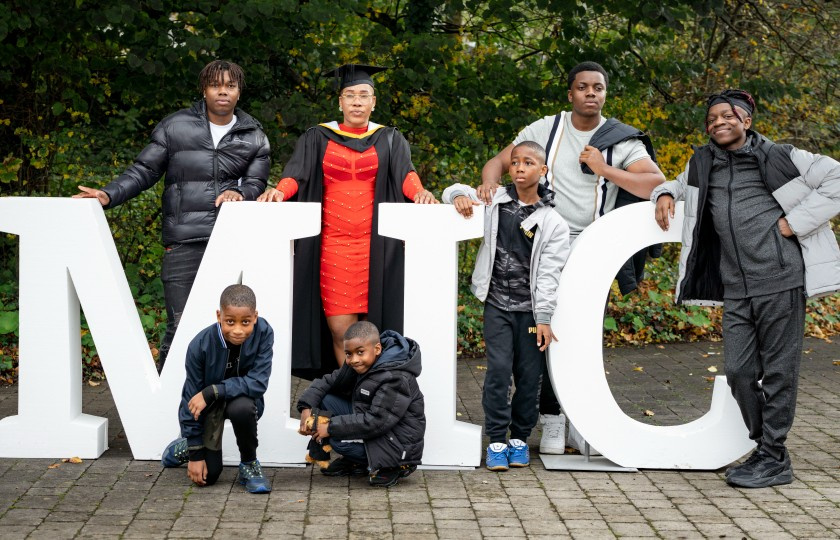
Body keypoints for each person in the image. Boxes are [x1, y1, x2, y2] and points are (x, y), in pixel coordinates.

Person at [652, 89, 840, 488]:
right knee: (738, 372)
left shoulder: (779, 155)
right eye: (711, 119)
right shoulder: (703, 161)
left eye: (727, 116)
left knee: (778, 373)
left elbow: (837, 177)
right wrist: (665, 192)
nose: (718, 122)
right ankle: (766, 448)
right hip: (735, 284)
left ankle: (773, 457)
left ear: (746, 121)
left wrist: (796, 222)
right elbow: (677, 183)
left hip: (780, 277)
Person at [478, 61, 666, 454]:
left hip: (591, 245)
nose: (591, 93)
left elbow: (654, 182)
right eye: (583, 87)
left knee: (578, 334)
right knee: (545, 333)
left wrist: (605, 169)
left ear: (605, 93)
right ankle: (552, 420)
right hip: (540, 240)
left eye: (598, 87)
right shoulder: (546, 129)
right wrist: (489, 186)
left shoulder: (619, 139)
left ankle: (580, 420)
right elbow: (499, 161)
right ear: (571, 93)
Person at [73, 60, 270, 372]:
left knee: (232, 332)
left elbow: (257, 182)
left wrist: (241, 194)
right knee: (181, 327)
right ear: (204, 89)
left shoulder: (254, 136)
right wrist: (109, 194)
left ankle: (219, 407)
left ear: (239, 91)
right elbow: (144, 170)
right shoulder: (174, 126)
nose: (223, 91)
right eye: (216, 85)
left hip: (230, 242)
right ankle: (167, 410)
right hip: (183, 242)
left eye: (230, 86)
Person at [257, 64, 437, 377]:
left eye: (363, 95)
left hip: (375, 248)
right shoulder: (318, 137)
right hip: (334, 246)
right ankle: (348, 395)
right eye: (349, 95)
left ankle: (372, 396)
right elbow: (295, 175)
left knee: (374, 334)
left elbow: (406, 175)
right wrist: (279, 192)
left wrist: (420, 193)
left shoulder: (390, 139)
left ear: (374, 102)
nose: (356, 101)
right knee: (342, 332)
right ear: (339, 102)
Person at [444, 141, 571, 471]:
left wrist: (543, 317)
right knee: (498, 372)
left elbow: (549, 273)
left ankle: (520, 439)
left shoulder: (553, 222)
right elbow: (454, 190)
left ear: (542, 171)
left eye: (528, 162)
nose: (518, 167)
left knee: (530, 377)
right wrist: (457, 196)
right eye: (514, 162)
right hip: (497, 306)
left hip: (530, 312)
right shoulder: (494, 200)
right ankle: (497, 440)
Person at [160, 284, 273, 493]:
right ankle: (185, 446)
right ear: (219, 315)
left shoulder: (264, 333)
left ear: (255, 317)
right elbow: (189, 400)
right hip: (207, 407)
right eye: (230, 322)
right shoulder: (200, 345)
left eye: (245, 322)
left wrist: (214, 390)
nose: (238, 330)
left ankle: (249, 465)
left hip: (241, 400)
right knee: (209, 476)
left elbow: (258, 383)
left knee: (243, 408)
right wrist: (195, 453)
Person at [296, 320, 425, 488]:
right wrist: (306, 409)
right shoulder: (360, 362)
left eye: (360, 352)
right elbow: (326, 382)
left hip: (397, 444)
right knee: (324, 398)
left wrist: (329, 427)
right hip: (376, 425)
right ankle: (357, 462)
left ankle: (394, 466)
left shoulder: (396, 377)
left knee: (336, 439)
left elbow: (376, 421)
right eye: (348, 354)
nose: (354, 359)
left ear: (377, 349)